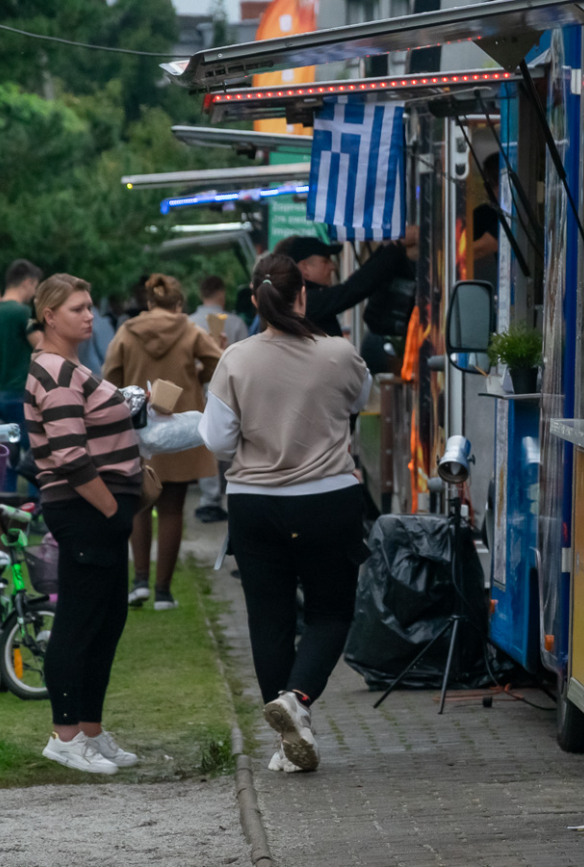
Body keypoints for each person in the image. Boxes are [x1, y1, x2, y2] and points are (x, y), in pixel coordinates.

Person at [199, 254, 372, 773]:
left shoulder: (235, 359)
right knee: (331, 612)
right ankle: (298, 699)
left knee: (268, 620)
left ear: (255, 300)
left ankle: (286, 740)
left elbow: (217, 439)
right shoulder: (339, 354)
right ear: (304, 296)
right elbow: (358, 401)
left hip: (256, 504)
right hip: (328, 499)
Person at [24, 274, 142, 776]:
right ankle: (66, 735)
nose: (89, 315)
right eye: (78, 308)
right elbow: (70, 456)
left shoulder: (71, 366)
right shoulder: (54, 372)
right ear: (50, 316)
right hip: (87, 509)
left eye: (91, 306)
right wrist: (113, 511)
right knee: (79, 622)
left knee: (107, 620)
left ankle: (90, 731)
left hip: (99, 509)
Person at [104, 274, 221, 610]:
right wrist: (195, 379)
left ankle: (139, 581)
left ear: (150, 303)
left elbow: (109, 375)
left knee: (139, 503)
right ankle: (164, 592)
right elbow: (218, 361)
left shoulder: (127, 331)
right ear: (179, 304)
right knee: (172, 509)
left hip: (137, 428)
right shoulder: (191, 330)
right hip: (179, 428)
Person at [0, 259, 43, 489]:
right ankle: (37, 512)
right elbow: (41, 346)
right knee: (37, 453)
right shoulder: (21, 312)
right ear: (27, 282)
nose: (34, 292)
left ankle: (4, 504)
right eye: (35, 286)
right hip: (21, 391)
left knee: (6, 452)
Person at [189, 276, 247, 523]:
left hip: (199, 386)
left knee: (207, 442)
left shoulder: (188, 323)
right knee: (238, 441)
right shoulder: (234, 322)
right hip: (232, 388)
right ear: (221, 294)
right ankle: (238, 492)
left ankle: (210, 498)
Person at [273, 235, 413, 338]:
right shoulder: (305, 301)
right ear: (305, 268)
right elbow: (352, 289)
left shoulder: (300, 299)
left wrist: (386, 248)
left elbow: (355, 282)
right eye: (326, 261)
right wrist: (394, 248)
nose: (332, 267)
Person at [76, 298, 116, 377]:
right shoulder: (101, 322)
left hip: (89, 375)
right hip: (97, 376)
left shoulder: (97, 322)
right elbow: (109, 356)